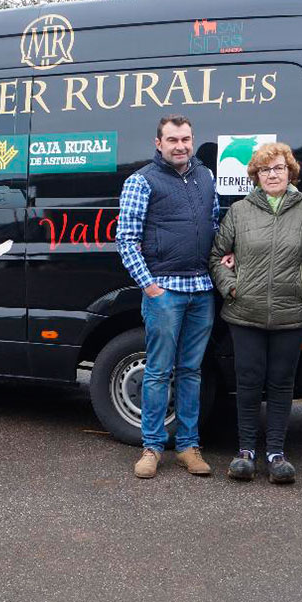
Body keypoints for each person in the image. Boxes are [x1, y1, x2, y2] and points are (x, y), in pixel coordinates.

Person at [209, 143, 302, 484]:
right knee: (248, 383)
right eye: (265, 170)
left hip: (291, 314)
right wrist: (231, 287)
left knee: (282, 383)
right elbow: (217, 256)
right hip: (245, 312)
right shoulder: (240, 211)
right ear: (255, 176)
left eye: (279, 168)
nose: (272, 174)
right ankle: (245, 453)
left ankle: (276, 454)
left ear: (291, 173)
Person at [116, 114, 219, 479]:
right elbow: (126, 239)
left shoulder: (206, 177)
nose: (181, 146)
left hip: (202, 290)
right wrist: (151, 287)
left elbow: (216, 224)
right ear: (158, 143)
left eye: (186, 139)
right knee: (158, 372)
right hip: (164, 291)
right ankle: (152, 447)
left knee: (191, 371)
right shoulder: (141, 181)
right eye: (173, 140)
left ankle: (189, 447)